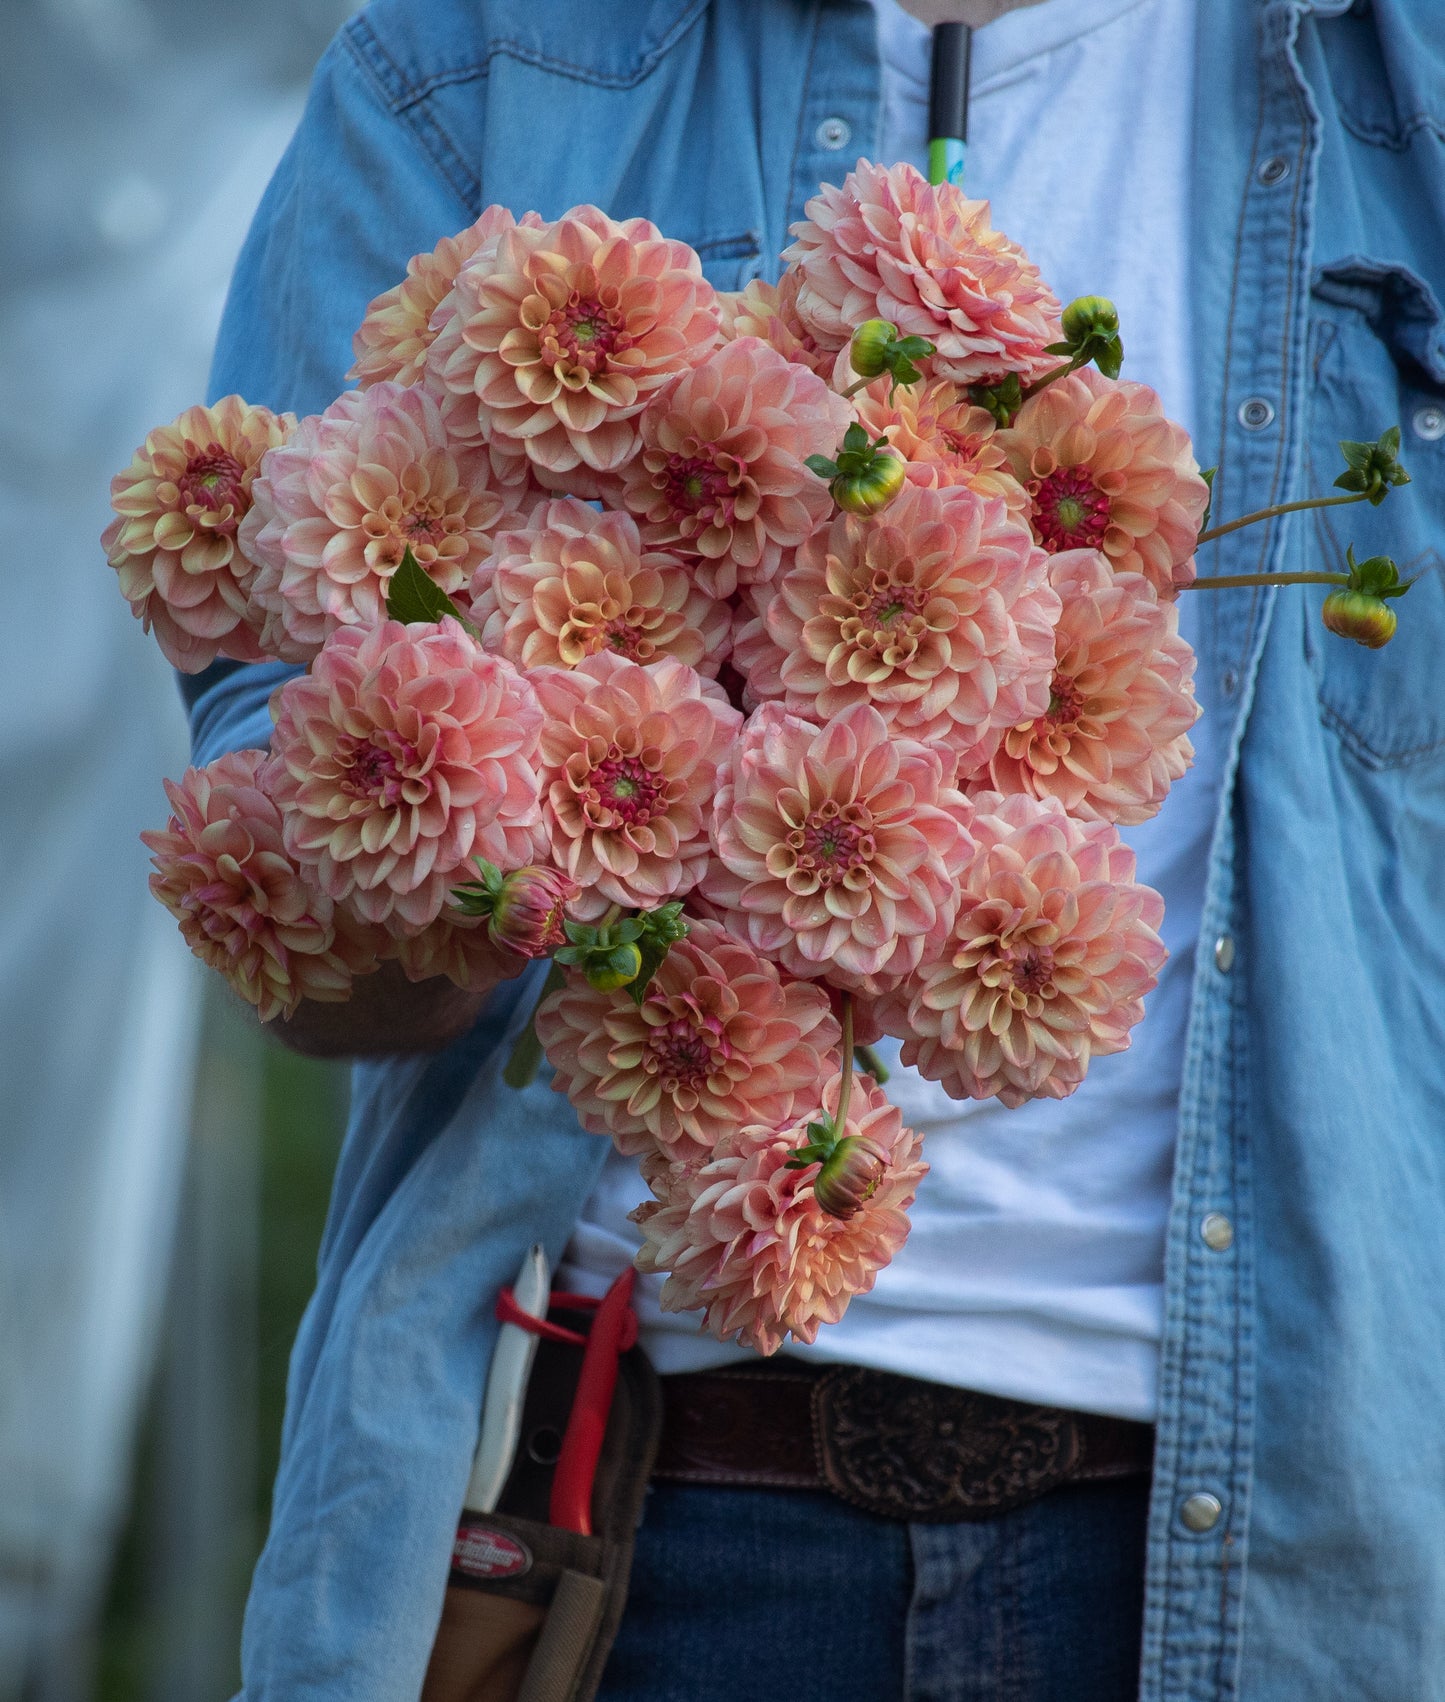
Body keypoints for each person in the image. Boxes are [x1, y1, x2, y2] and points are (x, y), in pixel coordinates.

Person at [182, 0, 1445, 1696]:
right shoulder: (485, 50)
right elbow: (295, 899)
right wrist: (472, 801)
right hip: (632, 1533)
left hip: (1271, 1546)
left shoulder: (1401, 81)